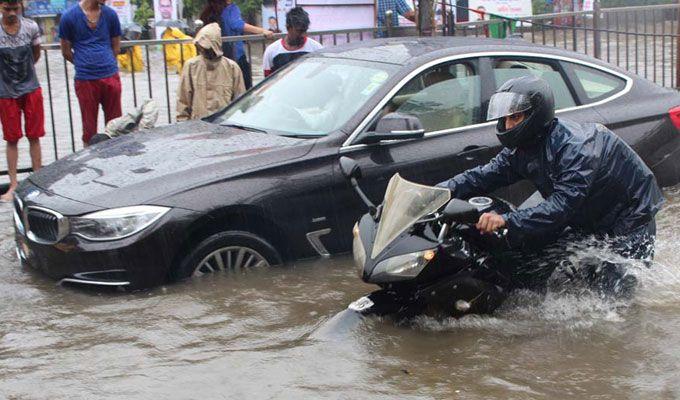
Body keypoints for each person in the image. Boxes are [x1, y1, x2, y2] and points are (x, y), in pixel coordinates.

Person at [437, 75, 664, 296]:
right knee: (538, 268)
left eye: (515, 118)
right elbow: (481, 176)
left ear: (535, 115)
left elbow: (561, 206)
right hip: (588, 216)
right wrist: (436, 192)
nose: (507, 125)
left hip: (631, 218)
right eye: (505, 118)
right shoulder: (521, 149)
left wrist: (505, 219)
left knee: (611, 301)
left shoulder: (575, 148)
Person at [59, 0, 122, 146]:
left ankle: (117, 160)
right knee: (89, 128)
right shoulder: (69, 17)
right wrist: (83, 63)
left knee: (116, 125)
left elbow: (116, 46)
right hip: (85, 79)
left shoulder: (110, 15)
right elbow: (66, 51)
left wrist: (106, 63)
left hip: (110, 75)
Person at [0, 0, 44, 202]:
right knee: (12, 138)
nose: (11, 13)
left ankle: (37, 179)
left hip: (30, 88)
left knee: (34, 135)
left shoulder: (30, 27)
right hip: (6, 92)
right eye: (6, 9)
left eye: (14, 9)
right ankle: (14, 184)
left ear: (20, 7)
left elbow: (36, 54)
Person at [176, 22, 245, 121]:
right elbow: (183, 100)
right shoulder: (191, 66)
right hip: (198, 124)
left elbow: (240, 101)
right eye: (201, 47)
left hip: (224, 125)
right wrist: (182, 125)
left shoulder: (232, 68)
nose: (203, 50)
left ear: (215, 45)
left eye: (206, 47)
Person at [221, 0, 274, 89]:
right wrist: (262, 31)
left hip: (222, 56)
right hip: (235, 55)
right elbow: (236, 24)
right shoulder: (231, 8)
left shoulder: (213, 9)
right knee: (244, 88)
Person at [262, 7, 321, 77]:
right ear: (288, 27)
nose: (303, 35)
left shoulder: (316, 49)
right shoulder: (272, 51)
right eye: (299, 31)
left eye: (305, 30)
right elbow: (268, 81)